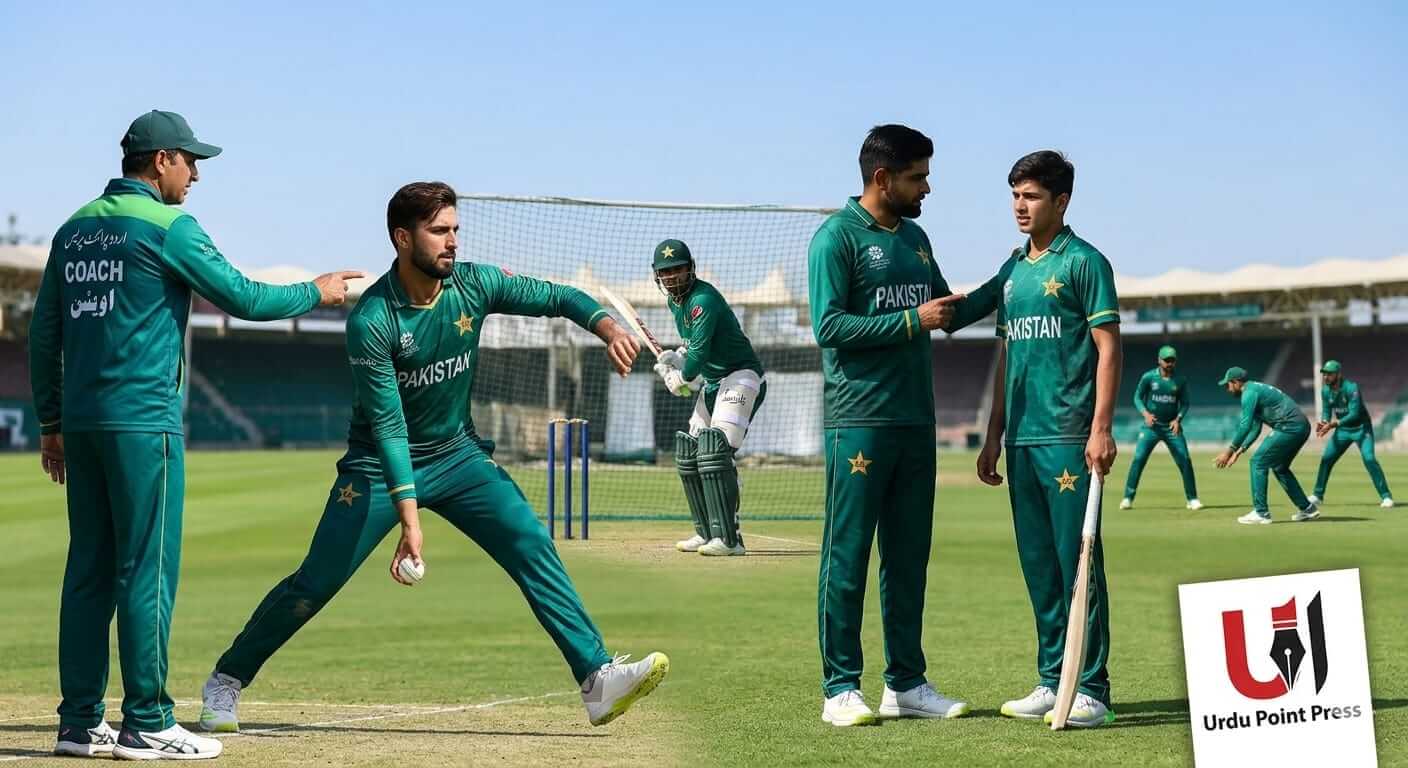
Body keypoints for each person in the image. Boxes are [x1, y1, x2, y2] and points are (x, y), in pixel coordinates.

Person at [199, 182, 668, 734]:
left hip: (457, 455)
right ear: (403, 238)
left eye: (455, 230)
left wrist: (606, 326)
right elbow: (389, 428)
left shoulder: (475, 284)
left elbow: (559, 297)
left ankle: (596, 678)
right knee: (315, 583)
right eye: (439, 231)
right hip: (379, 466)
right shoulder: (373, 319)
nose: (452, 242)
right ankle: (225, 681)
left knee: (530, 541)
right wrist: (410, 520)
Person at [28, 109, 361, 760]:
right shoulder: (168, 226)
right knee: (146, 569)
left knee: (88, 570)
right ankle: (148, 721)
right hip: (142, 422)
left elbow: (45, 333)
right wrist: (315, 292)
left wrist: (50, 423)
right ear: (162, 162)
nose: (197, 175)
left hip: (84, 423)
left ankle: (79, 723)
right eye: (191, 161)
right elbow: (243, 297)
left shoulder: (73, 229)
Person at [951, 150, 1122, 728]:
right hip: (1021, 442)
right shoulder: (1013, 271)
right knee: (1039, 567)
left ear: (1061, 201)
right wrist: (992, 435)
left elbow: (1108, 349)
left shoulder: (1085, 263)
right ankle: (1053, 680)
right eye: (1015, 196)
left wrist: (1101, 428)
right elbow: (1006, 355)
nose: (1019, 207)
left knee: (1078, 564)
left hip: (1069, 437)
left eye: (1031, 196)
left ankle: (1090, 687)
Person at [807, 124, 969, 727]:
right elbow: (828, 327)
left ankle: (905, 684)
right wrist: (910, 321)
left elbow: (944, 311)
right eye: (917, 177)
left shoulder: (917, 238)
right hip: (859, 421)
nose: (927, 188)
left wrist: (1018, 278)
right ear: (883, 178)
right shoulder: (836, 238)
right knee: (847, 557)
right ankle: (840, 688)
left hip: (915, 421)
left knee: (908, 560)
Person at [649, 239, 767, 557]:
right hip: (714, 382)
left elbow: (699, 354)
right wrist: (678, 357)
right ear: (657, 275)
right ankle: (706, 532)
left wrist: (681, 376)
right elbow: (695, 345)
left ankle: (730, 539)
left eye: (677, 269)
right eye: (665, 272)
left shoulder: (703, 299)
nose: (672, 277)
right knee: (691, 454)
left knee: (717, 452)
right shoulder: (675, 303)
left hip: (741, 376)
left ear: (691, 268)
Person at [1212, 367, 1320, 524]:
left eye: (1228, 384)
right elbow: (1255, 428)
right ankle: (1307, 508)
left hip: (1289, 427)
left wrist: (1229, 451)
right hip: (1301, 426)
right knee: (1280, 467)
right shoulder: (1255, 390)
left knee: (1257, 462)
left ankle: (1261, 512)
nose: (1227, 389)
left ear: (1236, 382)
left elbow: (1245, 426)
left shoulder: (1248, 393)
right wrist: (1240, 451)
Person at [1119, 346, 1202, 510]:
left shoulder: (1180, 380)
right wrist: (1146, 414)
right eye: (1166, 360)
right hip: (1151, 427)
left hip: (1172, 427)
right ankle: (1128, 497)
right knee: (1138, 459)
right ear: (1159, 360)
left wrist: (1178, 419)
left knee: (1185, 460)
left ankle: (1192, 499)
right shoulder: (1149, 377)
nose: (1170, 363)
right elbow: (1137, 398)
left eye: (1172, 360)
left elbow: (1185, 403)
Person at [1310, 360, 1394, 508]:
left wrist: (1333, 424)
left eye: (1329, 374)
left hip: (1361, 428)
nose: (1326, 377)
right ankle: (1317, 496)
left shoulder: (1351, 388)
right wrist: (1324, 422)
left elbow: (1354, 414)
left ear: (1338, 374)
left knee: (1369, 459)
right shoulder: (1325, 391)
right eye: (1324, 374)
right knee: (1326, 459)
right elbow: (1326, 411)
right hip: (1343, 430)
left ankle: (1386, 497)